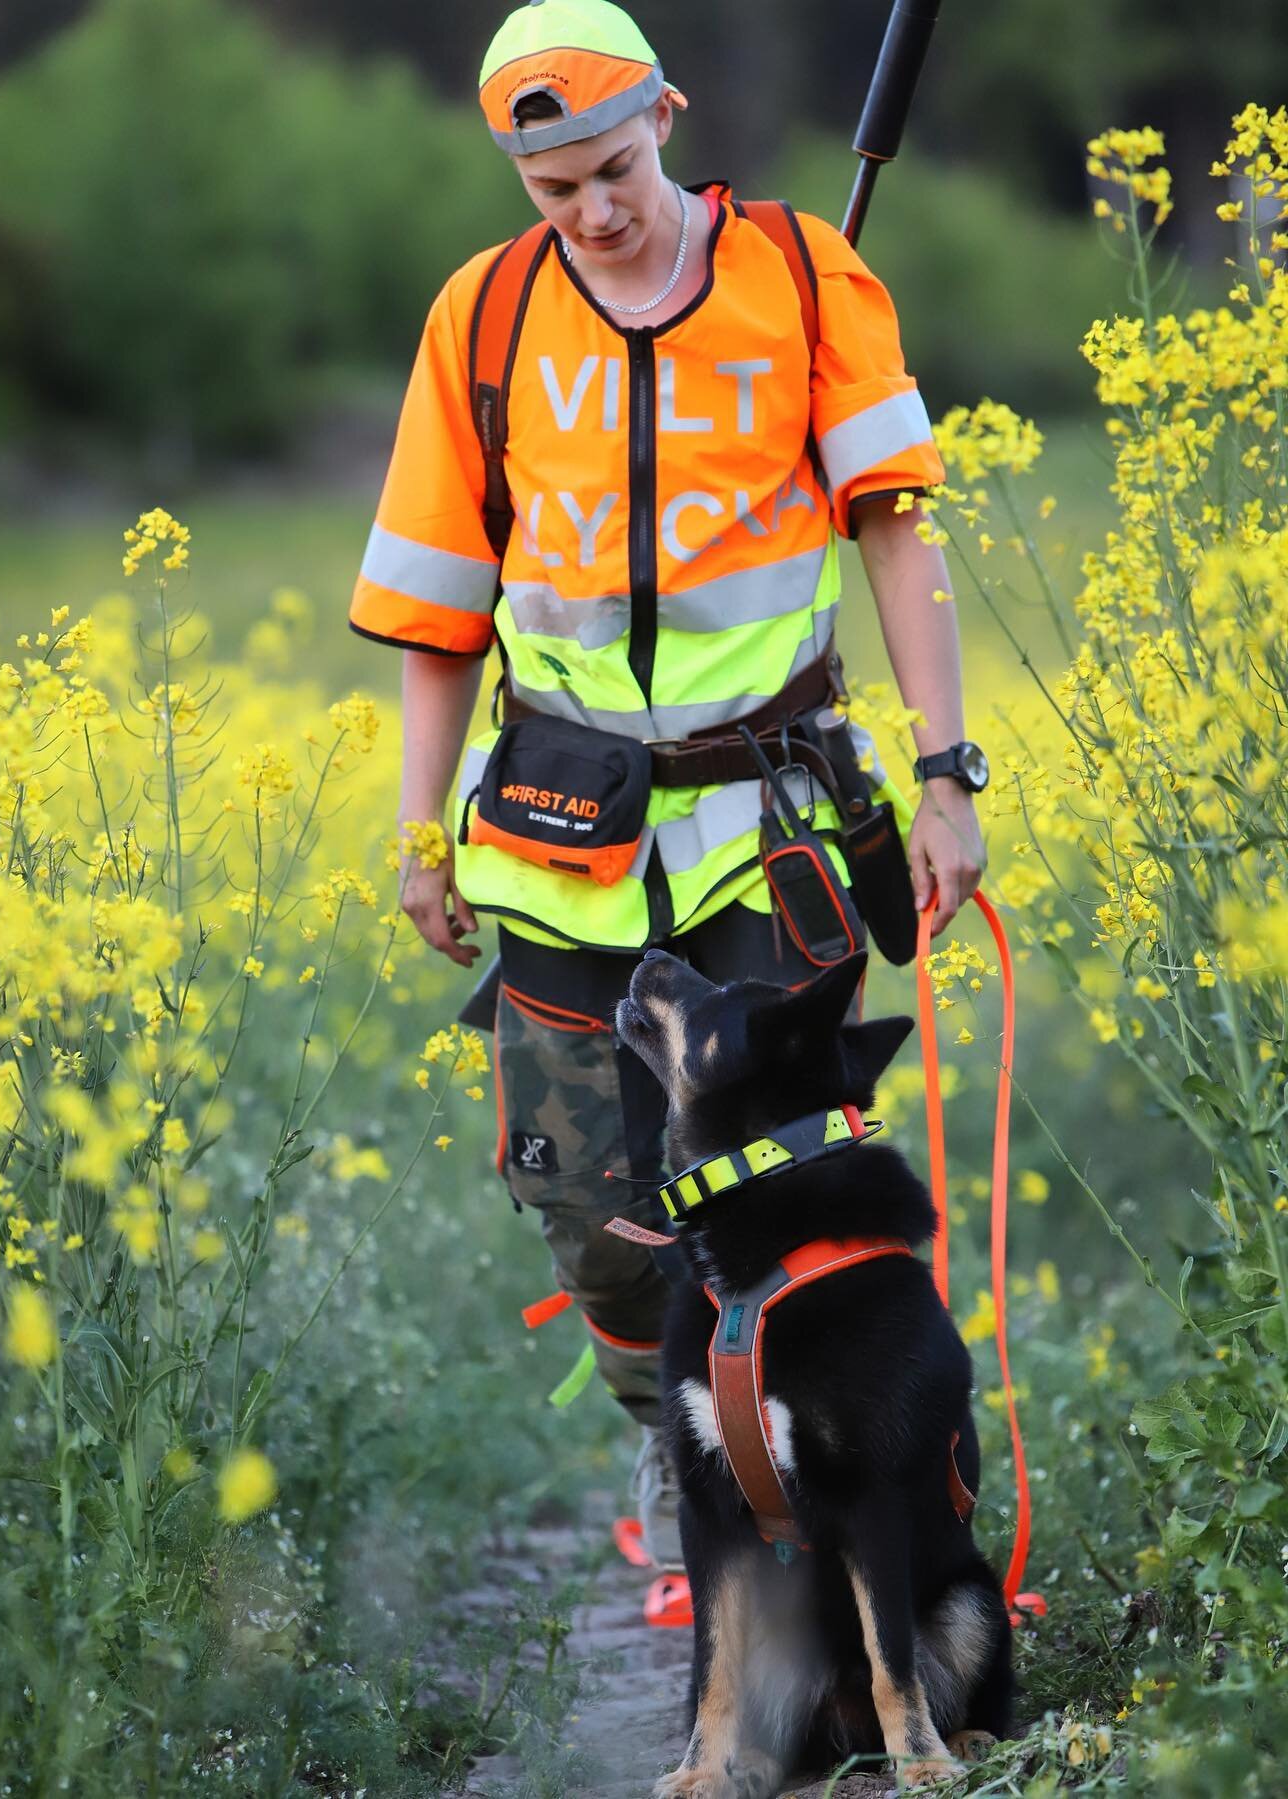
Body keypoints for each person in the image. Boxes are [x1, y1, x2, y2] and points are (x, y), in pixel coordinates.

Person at [350, 0, 987, 1573]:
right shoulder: (482, 321)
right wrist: (423, 835)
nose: (595, 214)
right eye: (553, 190)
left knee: (805, 1194)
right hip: (557, 840)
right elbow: (440, 616)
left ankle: (861, 1487)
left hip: (774, 828)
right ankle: (678, 1432)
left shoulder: (803, 278)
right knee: (606, 1227)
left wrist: (946, 775)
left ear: (670, 120)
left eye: (616, 170)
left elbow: (898, 540)